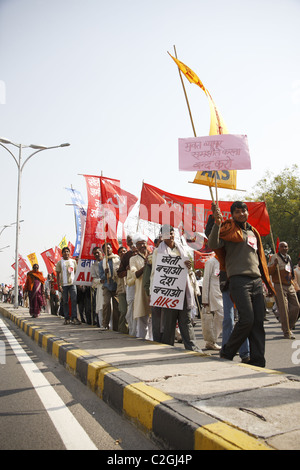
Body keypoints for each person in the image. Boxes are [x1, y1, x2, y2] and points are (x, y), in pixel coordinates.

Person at [208, 201, 275, 368]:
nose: (241, 214)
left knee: (258, 322)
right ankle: (227, 352)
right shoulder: (228, 229)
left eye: (243, 211)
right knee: (247, 319)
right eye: (237, 212)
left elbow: (259, 258)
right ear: (232, 215)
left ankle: (258, 360)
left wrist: (265, 281)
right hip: (238, 280)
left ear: (247, 212)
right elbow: (213, 244)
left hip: (256, 280)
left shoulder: (253, 232)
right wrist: (216, 223)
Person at [150, 225, 202, 352]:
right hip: (168, 293)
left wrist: (188, 265)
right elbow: (156, 272)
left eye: (172, 233)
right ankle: (167, 348)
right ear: (162, 236)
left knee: (186, 320)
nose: (170, 236)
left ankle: (192, 348)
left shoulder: (182, 249)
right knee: (168, 323)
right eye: (167, 234)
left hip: (183, 291)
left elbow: (187, 270)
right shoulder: (158, 252)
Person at [268, 242, 299, 339]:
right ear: (278, 248)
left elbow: (291, 271)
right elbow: (269, 271)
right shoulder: (274, 257)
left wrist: (293, 282)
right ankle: (287, 332)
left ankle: (288, 326)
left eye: (286, 246)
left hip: (289, 284)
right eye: (282, 246)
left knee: (296, 306)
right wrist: (274, 265)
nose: (284, 248)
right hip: (279, 284)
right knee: (284, 308)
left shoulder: (288, 257)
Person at [129, 234, 151, 339]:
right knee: (143, 317)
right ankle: (141, 339)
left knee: (154, 317)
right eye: (139, 244)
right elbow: (135, 275)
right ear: (136, 247)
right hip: (141, 291)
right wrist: (145, 266)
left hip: (153, 290)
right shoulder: (133, 259)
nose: (142, 245)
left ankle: (153, 340)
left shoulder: (152, 255)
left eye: (143, 243)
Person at [201, 256, 223, 350]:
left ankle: (211, 342)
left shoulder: (226, 261)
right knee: (222, 316)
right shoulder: (210, 262)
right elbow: (205, 281)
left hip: (224, 294)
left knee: (221, 318)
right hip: (214, 295)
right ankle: (212, 341)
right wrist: (205, 299)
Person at [117, 237, 138, 336]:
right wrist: (127, 270)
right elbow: (119, 273)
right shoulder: (126, 256)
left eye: (133, 240)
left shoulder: (145, 252)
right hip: (131, 286)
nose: (132, 243)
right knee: (130, 310)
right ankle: (132, 332)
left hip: (142, 287)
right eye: (129, 241)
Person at [56, 246, 80, 325]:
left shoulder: (73, 261)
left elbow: (76, 272)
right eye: (64, 252)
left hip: (72, 284)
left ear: (69, 253)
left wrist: (78, 283)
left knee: (74, 300)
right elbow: (58, 274)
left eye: (67, 251)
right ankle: (67, 318)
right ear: (62, 254)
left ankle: (74, 318)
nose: (66, 253)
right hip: (64, 285)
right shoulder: (60, 263)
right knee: (65, 301)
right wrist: (59, 285)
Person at [99, 242, 120, 331]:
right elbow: (101, 277)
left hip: (116, 286)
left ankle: (116, 327)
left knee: (117, 307)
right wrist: (105, 273)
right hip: (107, 286)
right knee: (106, 304)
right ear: (103, 251)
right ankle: (105, 324)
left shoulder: (117, 259)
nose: (107, 250)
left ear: (111, 249)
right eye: (105, 248)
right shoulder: (102, 263)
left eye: (108, 248)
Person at [113, 246, 129, 334]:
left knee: (130, 311)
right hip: (121, 290)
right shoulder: (116, 263)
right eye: (121, 252)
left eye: (124, 251)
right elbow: (117, 274)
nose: (123, 253)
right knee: (123, 310)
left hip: (130, 289)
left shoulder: (130, 261)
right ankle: (122, 330)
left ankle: (130, 329)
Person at [91, 246, 104, 327]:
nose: (96, 254)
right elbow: (94, 281)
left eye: (98, 252)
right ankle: (103, 326)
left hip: (109, 287)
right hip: (100, 288)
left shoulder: (107, 261)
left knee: (111, 308)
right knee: (100, 308)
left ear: (101, 253)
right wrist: (100, 281)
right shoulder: (94, 266)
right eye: (95, 253)